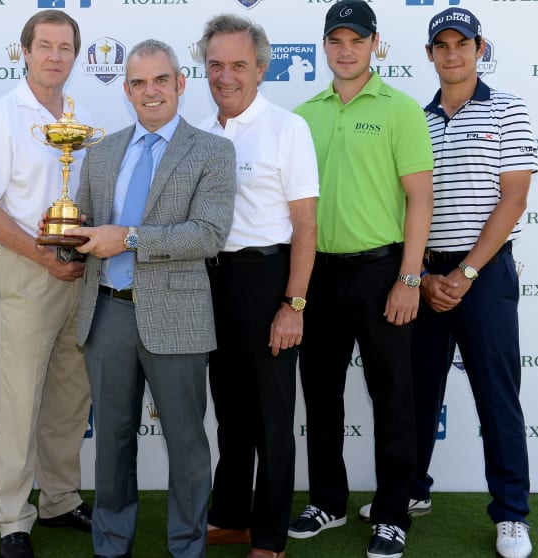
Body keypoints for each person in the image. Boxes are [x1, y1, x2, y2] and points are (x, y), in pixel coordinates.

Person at [356, 9, 537, 558]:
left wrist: (464, 275)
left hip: (483, 275)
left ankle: (510, 513)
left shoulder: (509, 109)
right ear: (430, 53)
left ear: (481, 49)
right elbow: (407, 202)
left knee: (496, 397)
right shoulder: (415, 118)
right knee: (415, 394)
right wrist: (427, 276)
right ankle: (411, 491)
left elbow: (514, 200)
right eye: (442, 45)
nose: (453, 54)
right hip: (426, 276)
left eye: (463, 44)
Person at [62, 39, 236, 558]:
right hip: (108, 312)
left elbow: (207, 234)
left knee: (186, 444)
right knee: (112, 442)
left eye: (161, 79)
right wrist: (68, 239)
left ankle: (187, 546)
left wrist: (130, 237)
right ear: (127, 90)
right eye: (139, 82)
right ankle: (111, 544)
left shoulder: (213, 151)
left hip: (178, 316)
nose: (150, 91)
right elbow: (91, 228)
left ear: (181, 83)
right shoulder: (101, 151)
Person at [287, 2, 434, 558]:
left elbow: (421, 198)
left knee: (393, 397)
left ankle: (393, 513)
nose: (346, 50)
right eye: (336, 40)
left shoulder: (400, 110)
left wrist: (410, 277)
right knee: (321, 396)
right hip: (317, 274)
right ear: (324, 46)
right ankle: (327, 501)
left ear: (376, 44)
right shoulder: (304, 113)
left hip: (381, 272)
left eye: (357, 39)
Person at [0, 10, 93, 558]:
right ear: (24, 52)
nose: (54, 56)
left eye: (65, 47)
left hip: (79, 272)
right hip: (28, 269)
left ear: (76, 56)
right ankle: (14, 518)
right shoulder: (2, 115)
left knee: (70, 395)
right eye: (44, 46)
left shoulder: (80, 115)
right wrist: (45, 259)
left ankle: (61, 499)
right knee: (20, 399)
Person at [195, 15, 318, 558]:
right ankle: (231, 515)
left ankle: (270, 535)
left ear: (262, 69)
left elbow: (307, 227)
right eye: (215, 64)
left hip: (267, 278)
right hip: (211, 282)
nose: (226, 76)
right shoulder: (201, 132)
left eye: (238, 65)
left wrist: (292, 305)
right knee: (230, 410)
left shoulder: (287, 129)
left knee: (271, 415)